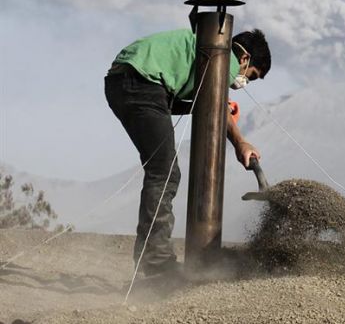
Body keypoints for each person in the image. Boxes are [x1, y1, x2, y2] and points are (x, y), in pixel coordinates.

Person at [104, 28, 271, 277]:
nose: (242, 83)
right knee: (165, 172)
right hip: (142, 83)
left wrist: (215, 107)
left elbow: (178, 102)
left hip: (121, 81)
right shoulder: (223, 56)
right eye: (251, 76)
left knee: (162, 169)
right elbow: (207, 102)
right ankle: (156, 265)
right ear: (245, 58)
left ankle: (152, 260)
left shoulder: (199, 46)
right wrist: (240, 142)